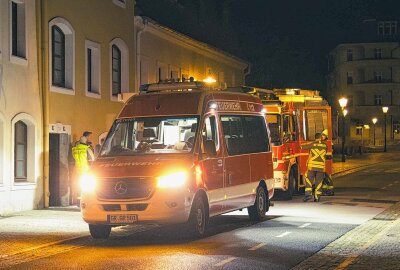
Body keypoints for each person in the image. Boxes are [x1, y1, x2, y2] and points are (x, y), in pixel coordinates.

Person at [301, 132, 328, 202]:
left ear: (315, 138)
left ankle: (308, 195)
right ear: (320, 137)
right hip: (321, 167)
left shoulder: (312, 144)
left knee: (309, 180)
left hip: (312, 167)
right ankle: (317, 197)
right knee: (319, 182)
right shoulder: (325, 145)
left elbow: (302, 147)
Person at [71, 132, 95, 205]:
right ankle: (86, 202)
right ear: (86, 141)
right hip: (86, 171)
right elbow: (93, 160)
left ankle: (78, 202)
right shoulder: (87, 149)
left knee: (78, 186)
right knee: (87, 188)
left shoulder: (74, 149)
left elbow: (72, 159)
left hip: (77, 170)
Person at [321, 129, 334, 196]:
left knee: (328, 177)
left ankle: (330, 191)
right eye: (322, 135)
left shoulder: (329, 143)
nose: (322, 136)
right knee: (324, 177)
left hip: (327, 161)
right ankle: (325, 191)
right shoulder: (323, 142)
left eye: (323, 135)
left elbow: (329, 153)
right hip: (324, 162)